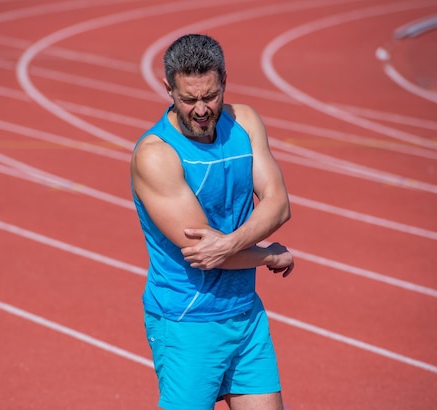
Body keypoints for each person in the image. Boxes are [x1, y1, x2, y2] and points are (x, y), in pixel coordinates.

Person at [130, 33, 294, 410]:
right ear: (168, 89)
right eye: (188, 99)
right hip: (188, 320)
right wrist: (267, 255)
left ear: (224, 82)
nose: (201, 109)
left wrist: (230, 244)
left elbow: (279, 204)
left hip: (245, 314)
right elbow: (205, 253)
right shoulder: (156, 156)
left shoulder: (245, 122)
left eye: (211, 96)